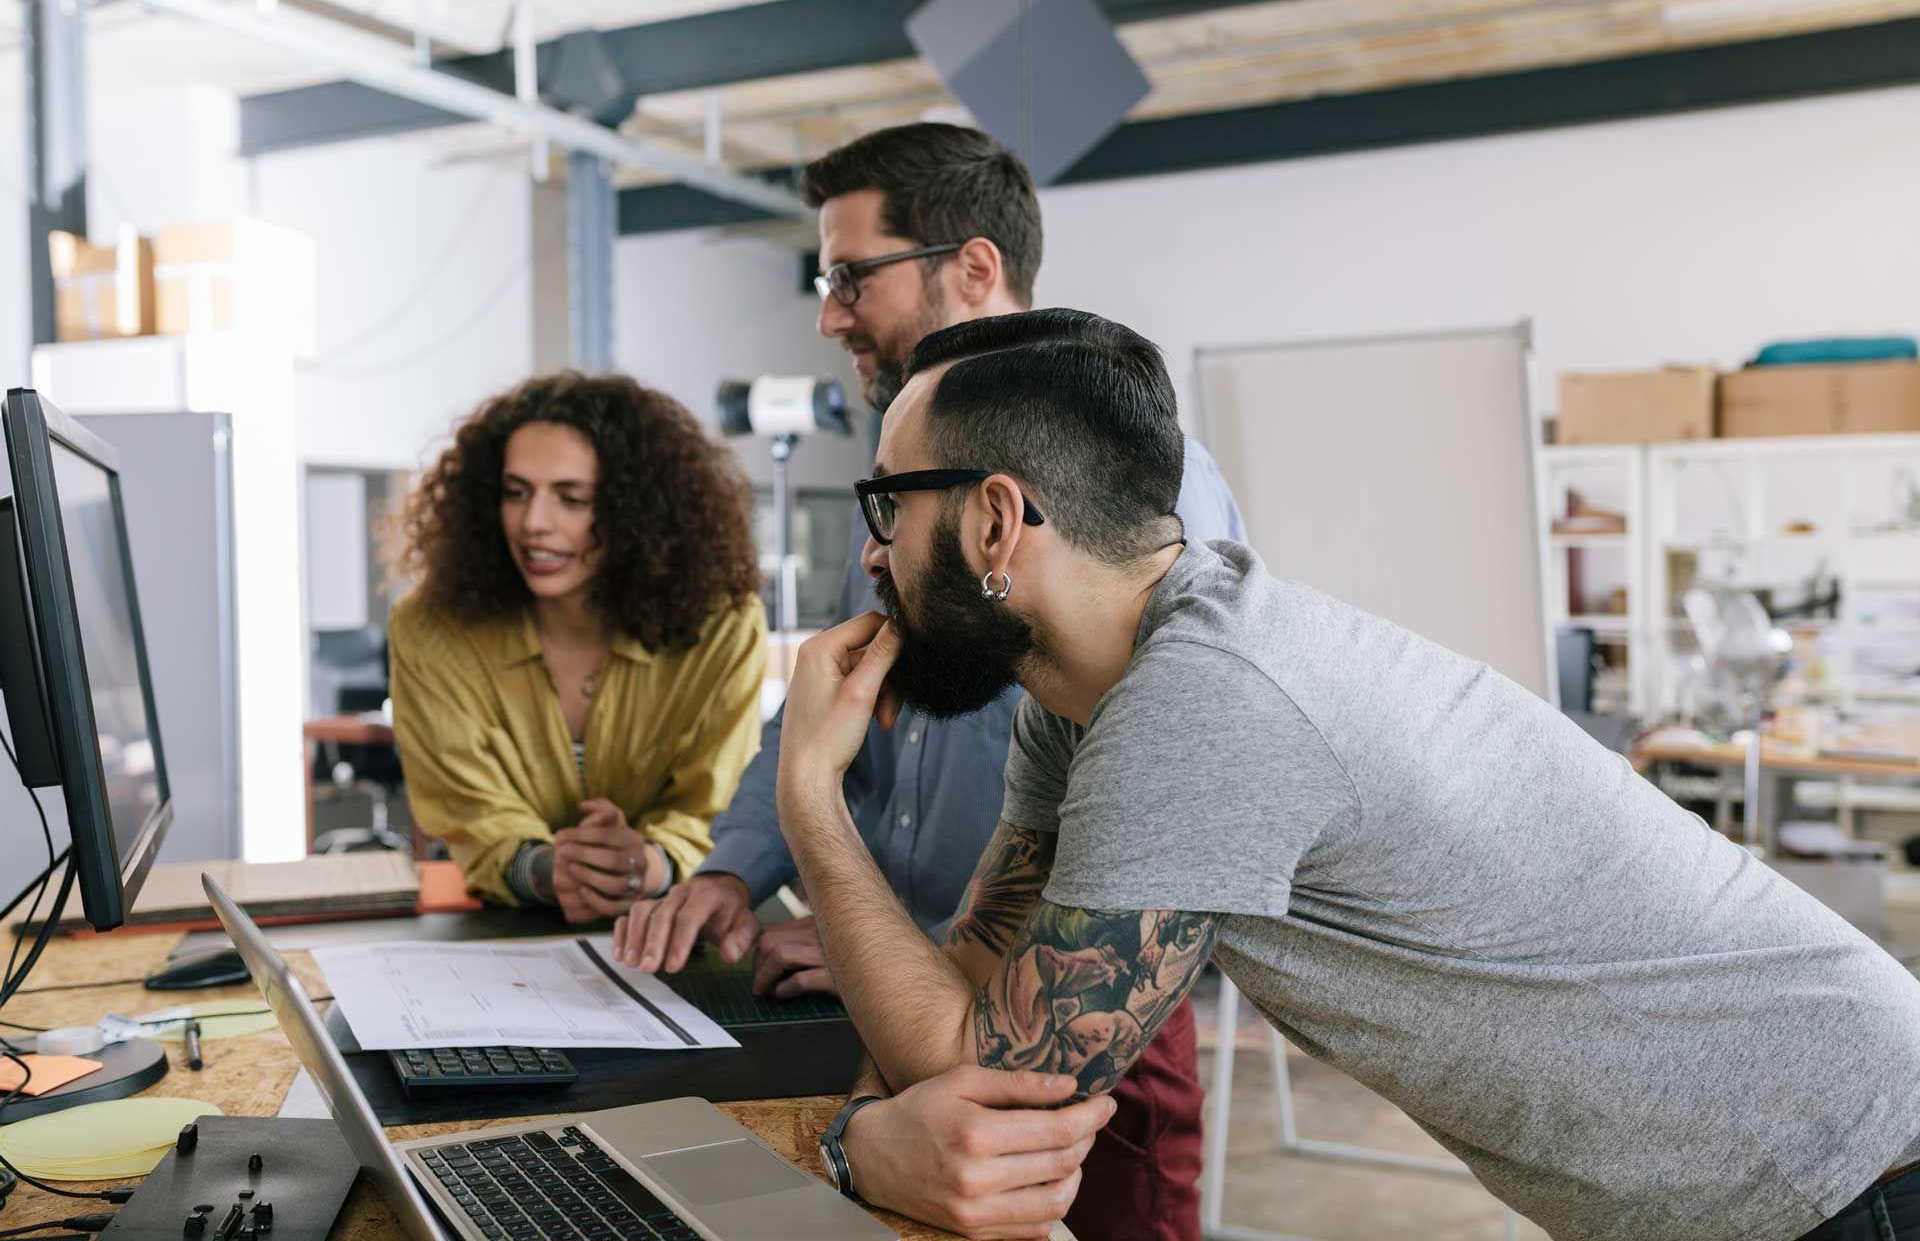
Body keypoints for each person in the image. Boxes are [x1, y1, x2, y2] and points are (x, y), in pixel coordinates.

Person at [739, 307, 1920, 1241]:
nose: (871, 552)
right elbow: (960, 1022)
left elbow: (984, 1081)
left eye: (888, 503)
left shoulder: (1202, 701)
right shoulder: (1086, 697)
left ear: (999, 523)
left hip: (1844, 1166)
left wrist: (812, 802)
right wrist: (874, 1128)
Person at [614, 123, 1240, 1240]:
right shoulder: (910, 464)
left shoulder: (1135, 479)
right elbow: (838, 699)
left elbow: (1152, 810)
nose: (828, 312)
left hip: (1076, 1015)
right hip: (913, 992)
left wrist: (897, 943)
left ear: (975, 266)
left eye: (850, 274)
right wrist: (740, 874)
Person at [389, 371, 767, 920]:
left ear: (636, 511)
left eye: (572, 498)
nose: (533, 524)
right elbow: (471, 814)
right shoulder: (430, 629)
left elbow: (715, 807)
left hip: (682, 921)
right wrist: (550, 870)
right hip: (508, 934)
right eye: (515, 493)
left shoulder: (724, 626)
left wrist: (648, 865)